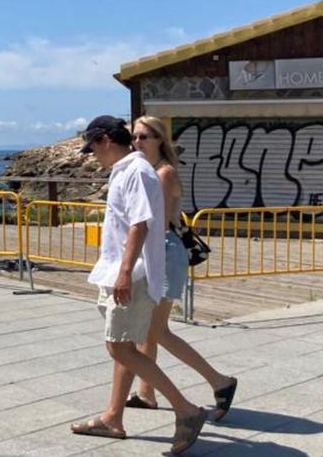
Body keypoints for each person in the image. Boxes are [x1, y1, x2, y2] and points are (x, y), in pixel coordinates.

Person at [69, 116, 207, 454]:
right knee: (124, 345)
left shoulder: (136, 171)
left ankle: (186, 409)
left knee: (121, 348)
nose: (94, 156)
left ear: (104, 140)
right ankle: (112, 418)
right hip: (121, 271)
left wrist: (125, 272)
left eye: (93, 148)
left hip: (134, 274)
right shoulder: (128, 170)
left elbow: (140, 224)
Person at [125, 116, 238, 420]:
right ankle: (146, 393)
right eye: (134, 136)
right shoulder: (148, 171)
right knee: (149, 331)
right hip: (157, 251)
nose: (137, 142)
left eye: (144, 136)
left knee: (156, 330)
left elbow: (156, 222)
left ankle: (220, 381)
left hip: (165, 251)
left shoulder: (163, 174)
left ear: (160, 139)